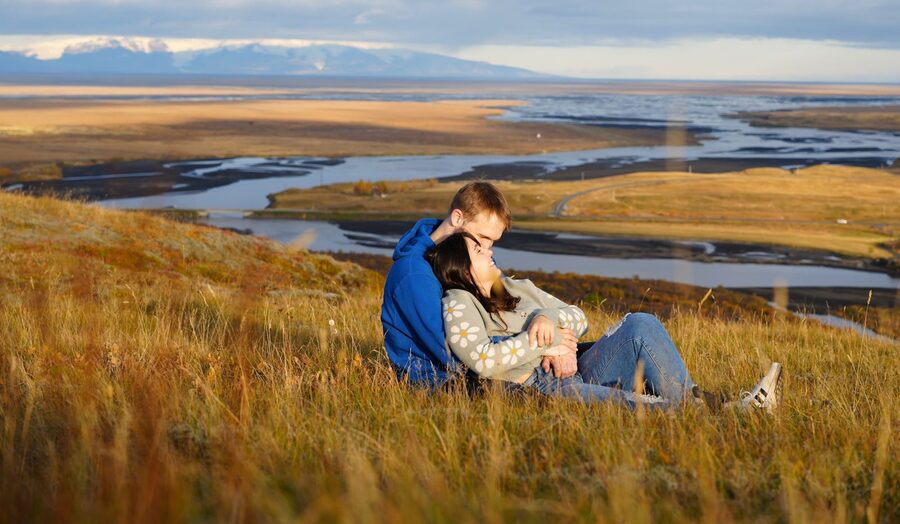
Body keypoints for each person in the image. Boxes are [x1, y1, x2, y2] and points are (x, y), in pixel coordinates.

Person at [426, 231, 783, 412]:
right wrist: (542, 343)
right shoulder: (459, 302)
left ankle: (702, 405)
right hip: (542, 387)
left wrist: (545, 318)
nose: (490, 252)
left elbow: (578, 317)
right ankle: (733, 413)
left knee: (641, 324)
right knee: (642, 409)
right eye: (479, 250)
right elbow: (482, 361)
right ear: (463, 269)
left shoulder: (514, 286)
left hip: (579, 365)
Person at [381, 181, 579, 388]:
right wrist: (547, 345)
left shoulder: (475, 257)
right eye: (482, 238)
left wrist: (556, 340)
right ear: (457, 218)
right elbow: (451, 350)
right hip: (445, 381)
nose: (488, 250)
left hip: (508, 362)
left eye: (492, 241)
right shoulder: (414, 274)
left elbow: (508, 309)